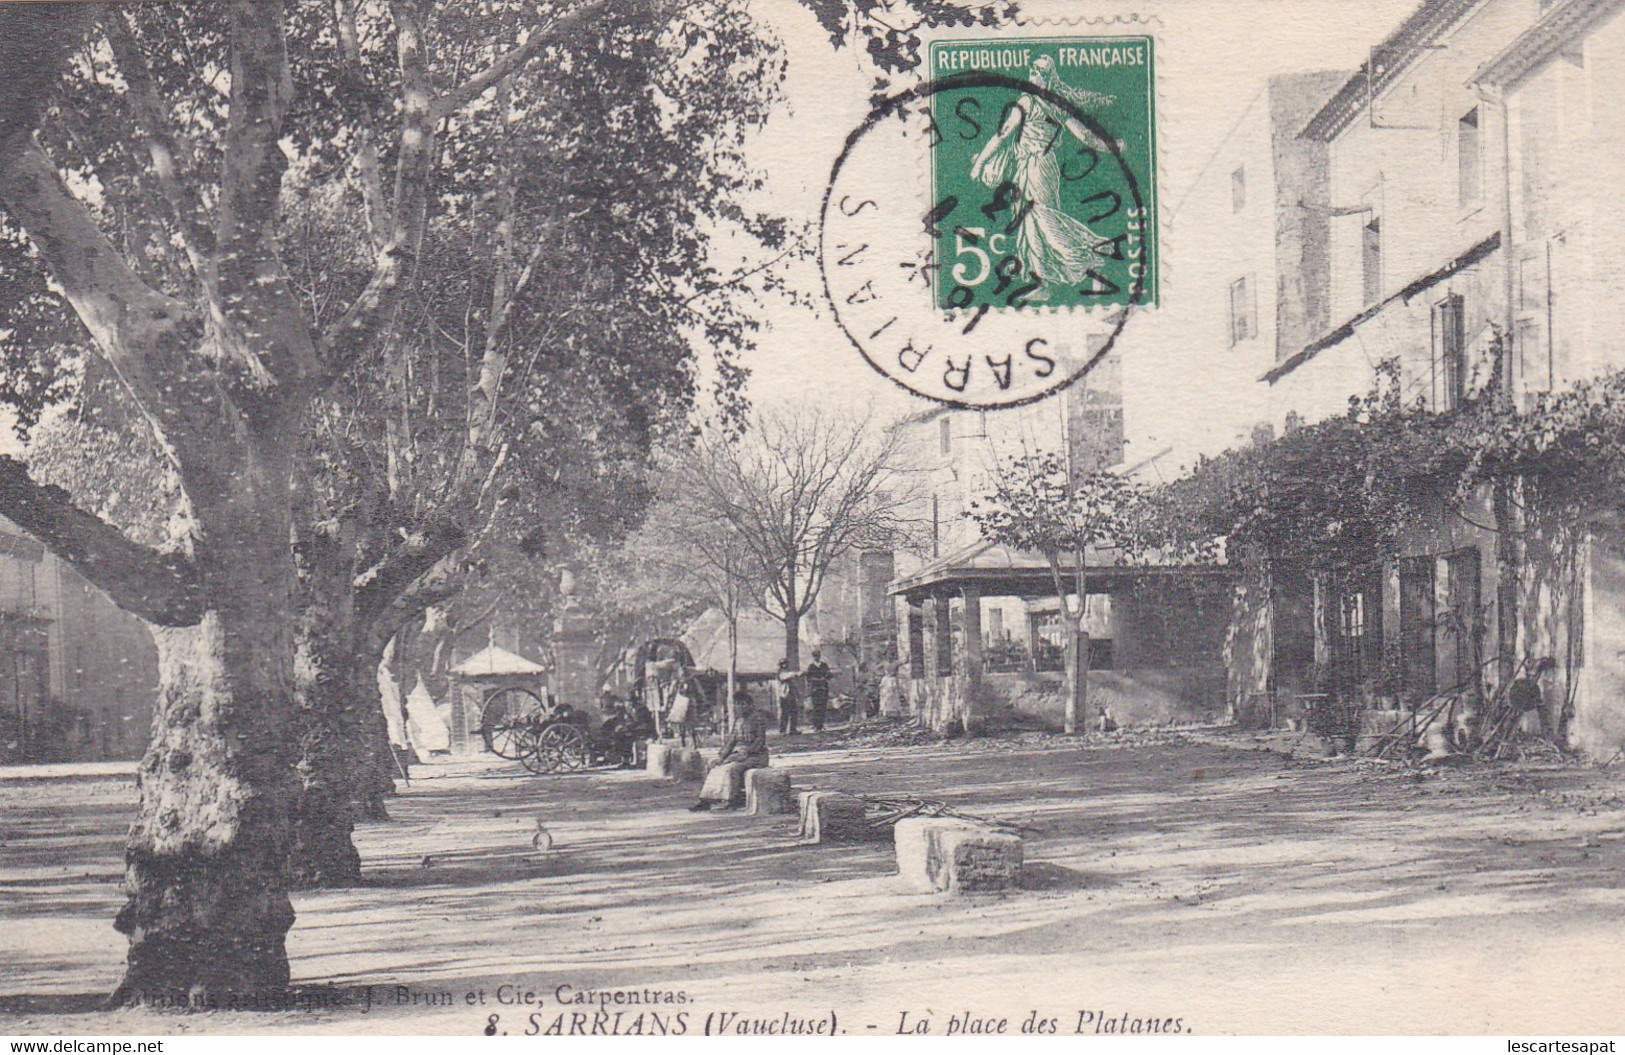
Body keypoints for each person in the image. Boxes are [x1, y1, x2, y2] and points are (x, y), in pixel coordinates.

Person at [967, 54, 1116, 303]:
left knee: (1041, 220)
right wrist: (1112, 146)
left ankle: (1088, 253)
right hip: (1039, 167)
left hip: (1037, 167)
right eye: (1032, 69)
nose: (1034, 74)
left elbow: (1002, 135)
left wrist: (980, 163)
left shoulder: (1028, 102)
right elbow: (1087, 138)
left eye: (1040, 71)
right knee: (1032, 224)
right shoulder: (1054, 103)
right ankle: (1045, 281)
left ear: (1049, 77)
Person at [689, 693, 770, 812]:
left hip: (756, 756)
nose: (740, 707)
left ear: (751, 705)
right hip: (740, 755)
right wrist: (722, 757)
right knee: (715, 766)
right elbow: (731, 741)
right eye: (737, 704)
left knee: (732, 768)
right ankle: (706, 800)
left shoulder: (758, 719)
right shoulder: (738, 721)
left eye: (743, 704)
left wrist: (748, 751)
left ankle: (732, 800)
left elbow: (760, 740)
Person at [1508, 656, 1557, 741]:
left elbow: (1539, 707)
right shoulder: (1522, 684)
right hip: (1519, 706)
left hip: (1529, 708)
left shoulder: (1535, 688)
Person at [804, 649, 833, 733]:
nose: (817, 657)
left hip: (823, 688)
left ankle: (821, 724)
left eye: (818, 656)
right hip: (815, 689)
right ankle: (816, 725)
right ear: (813, 657)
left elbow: (829, 675)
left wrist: (825, 678)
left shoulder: (824, 665)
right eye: (815, 656)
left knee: (823, 706)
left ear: (820, 656)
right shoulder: (811, 666)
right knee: (816, 706)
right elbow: (808, 678)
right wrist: (816, 680)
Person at [776, 656, 800, 735]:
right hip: (783, 695)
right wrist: (795, 674)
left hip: (791, 695)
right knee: (784, 713)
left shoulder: (787, 672)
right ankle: (782, 730)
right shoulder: (780, 673)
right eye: (783, 664)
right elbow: (784, 677)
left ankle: (793, 729)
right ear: (780, 665)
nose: (784, 665)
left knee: (794, 712)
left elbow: (793, 685)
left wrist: (797, 693)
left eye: (785, 664)